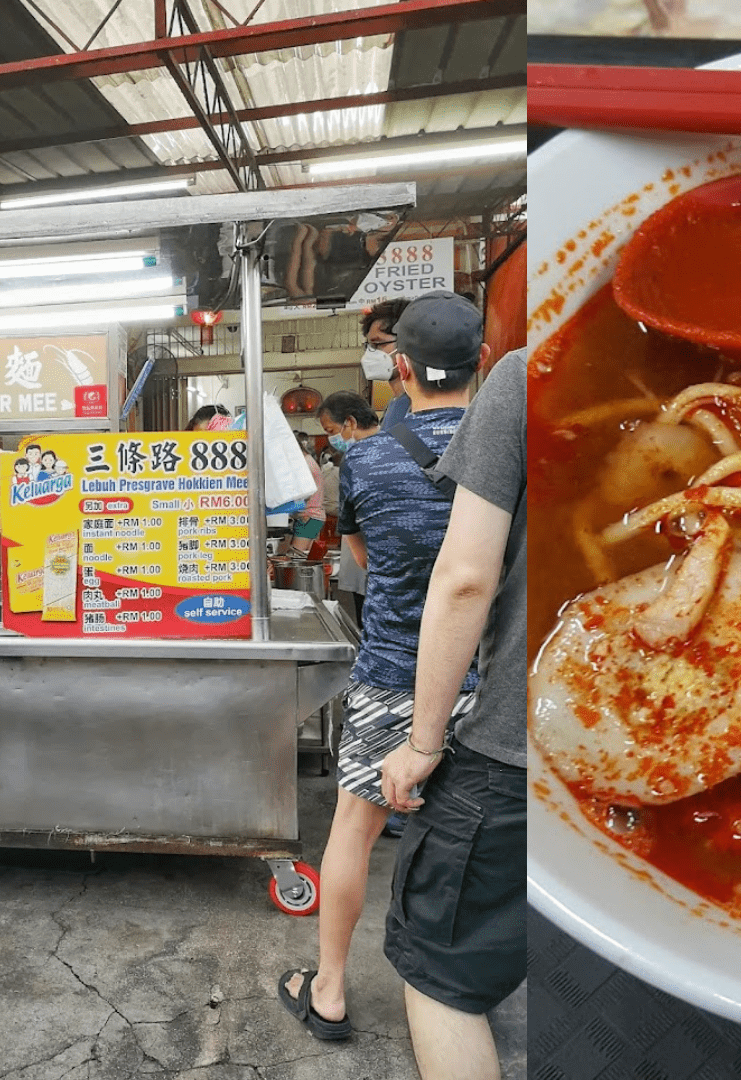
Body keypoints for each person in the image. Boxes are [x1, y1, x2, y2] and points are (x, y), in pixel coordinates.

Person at [278, 292, 487, 1043]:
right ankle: (463, 992)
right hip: (487, 687)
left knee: (353, 832)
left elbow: (362, 559)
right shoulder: (512, 450)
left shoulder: (365, 457)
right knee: (471, 844)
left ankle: (329, 989)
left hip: (394, 673)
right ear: (483, 362)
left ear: (398, 367)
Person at [380, 342, 526, 1080]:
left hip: (504, 741)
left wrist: (424, 740)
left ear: (401, 365)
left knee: (443, 977)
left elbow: (466, 577)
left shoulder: (531, 377)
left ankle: (329, 990)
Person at [317, 391, 380, 619]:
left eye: (331, 432)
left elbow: (350, 528)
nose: (331, 440)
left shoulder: (354, 461)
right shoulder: (397, 446)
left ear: (351, 422)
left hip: (372, 568)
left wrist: (369, 566)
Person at [359, 297, 412, 428]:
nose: (371, 353)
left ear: (408, 342)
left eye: (377, 344)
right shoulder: (395, 405)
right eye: (369, 346)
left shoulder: (418, 406)